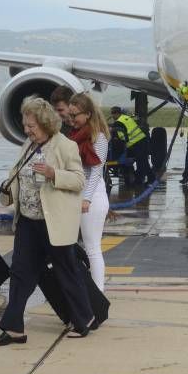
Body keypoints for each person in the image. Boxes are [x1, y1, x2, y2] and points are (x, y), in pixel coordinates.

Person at [0, 98, 94, 345]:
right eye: (26, 126)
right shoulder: (29, 144)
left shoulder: (65, 146)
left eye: (31, 126)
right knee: (20, 273)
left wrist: (53, 174)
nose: (27, 131)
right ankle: (14, 327)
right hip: (28, 221)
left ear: (46, 124)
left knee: (65, 271)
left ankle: (84, 318)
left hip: (53, 223)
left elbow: (79, 180)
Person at [68, 93, 110, 292]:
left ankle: (99, 292)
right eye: (70, 114)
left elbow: (96, 170)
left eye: (75, 115)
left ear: (87, 114)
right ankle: (86, 290)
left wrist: (86, 199)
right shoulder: (75, 136)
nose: (71, 119)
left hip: (92, 196)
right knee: (80, 247)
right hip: (77, 194)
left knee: (92, 248)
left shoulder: (98, 137)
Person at [110, 106, 154, 185]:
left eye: (113, 114)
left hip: (136, 143)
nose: (112, 116)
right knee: (143, 162)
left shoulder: (118, 122)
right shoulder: (126, 117)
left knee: (141, 162)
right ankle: (148, 179)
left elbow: (117, 135)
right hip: (141, 141)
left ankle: (140, 181)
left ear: (116, 113)